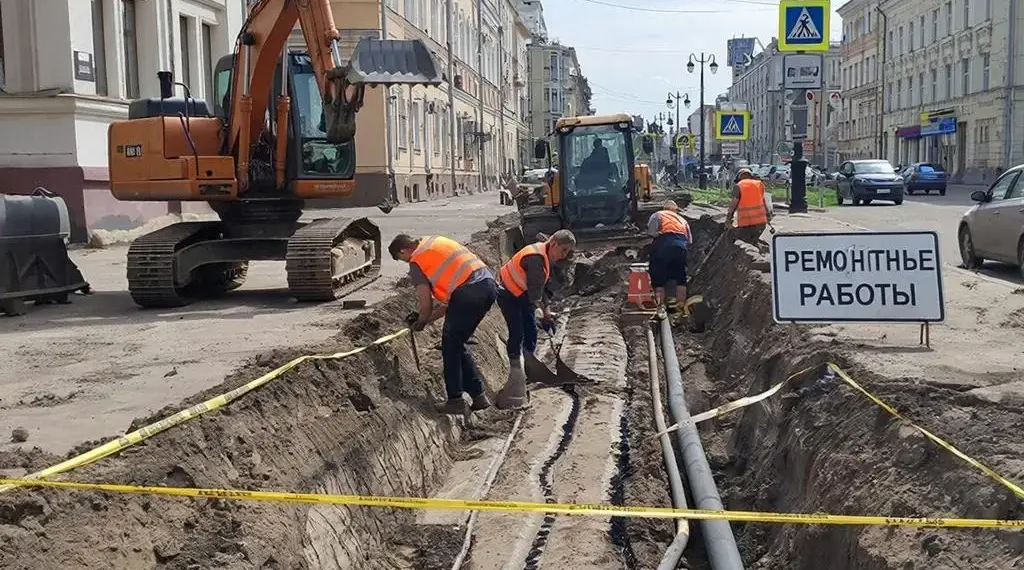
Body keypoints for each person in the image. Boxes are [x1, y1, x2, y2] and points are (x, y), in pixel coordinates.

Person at [389, 234, 498, 415]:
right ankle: (478, 397)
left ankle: (455, 400)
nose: (406, 262)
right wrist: (426, 319)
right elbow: (450, 305)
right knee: (456, 342)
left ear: (403, 250)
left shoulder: (417, 261)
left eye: (402, 259)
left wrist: (421, 322)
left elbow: (426, 304)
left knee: (450, 347)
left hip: (468, 294)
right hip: (487, 286)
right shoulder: (435, 243)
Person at [494, 230, 577, 409]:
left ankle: (529, 365)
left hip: (521, 293)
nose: (564, 255)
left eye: (567, 252)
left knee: (530, 330)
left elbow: (541, 288)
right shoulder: (536, 259)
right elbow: (535, 294)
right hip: (508, 294)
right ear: (553, 243)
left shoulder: (545, 255)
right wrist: (542, 313)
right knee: (517, 332)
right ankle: (516, 374)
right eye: (563, 250)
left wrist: (547, 313)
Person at [646, 200, 691, 322]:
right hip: (680, 248)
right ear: (676, 210)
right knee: (681, 278)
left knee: (658, 278)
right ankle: (681, 309)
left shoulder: (658, 215)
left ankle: (660, 308)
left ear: (664, 208)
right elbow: (689, 240)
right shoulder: (683, 220)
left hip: (663, 247)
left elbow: (651, 233)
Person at [725, 167, 771, 245]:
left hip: (746, 223)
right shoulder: (759, 184)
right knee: (754, 241)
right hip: (760, 223)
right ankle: (762, 250)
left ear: (739, 178)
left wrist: (728, 218)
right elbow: (764, 202)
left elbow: (733, 204)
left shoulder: (738, 186)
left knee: (742, 242)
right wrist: (768, 216)